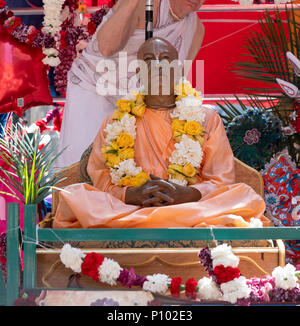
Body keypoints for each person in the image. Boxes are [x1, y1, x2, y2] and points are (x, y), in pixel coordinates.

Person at [53, 37, 269, 229]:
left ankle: (160, 218)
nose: (157, 66)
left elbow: (221, 180)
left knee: (244, 196)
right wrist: (130, 194)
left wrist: (187, 194)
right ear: (138, 73)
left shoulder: (207, 119)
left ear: (178, 70)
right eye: (148, 60)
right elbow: (101, 179)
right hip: (131, 208)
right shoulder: (115, 121)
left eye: (165, 59)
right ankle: (160, 219)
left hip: (189, 207)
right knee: (76, 197)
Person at [56, 0, 219, 169]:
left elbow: (176, 83)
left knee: (129, 182)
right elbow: (106, 47)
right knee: (86, 172)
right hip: (95, 91)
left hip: (138, 108)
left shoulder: (195, 29)